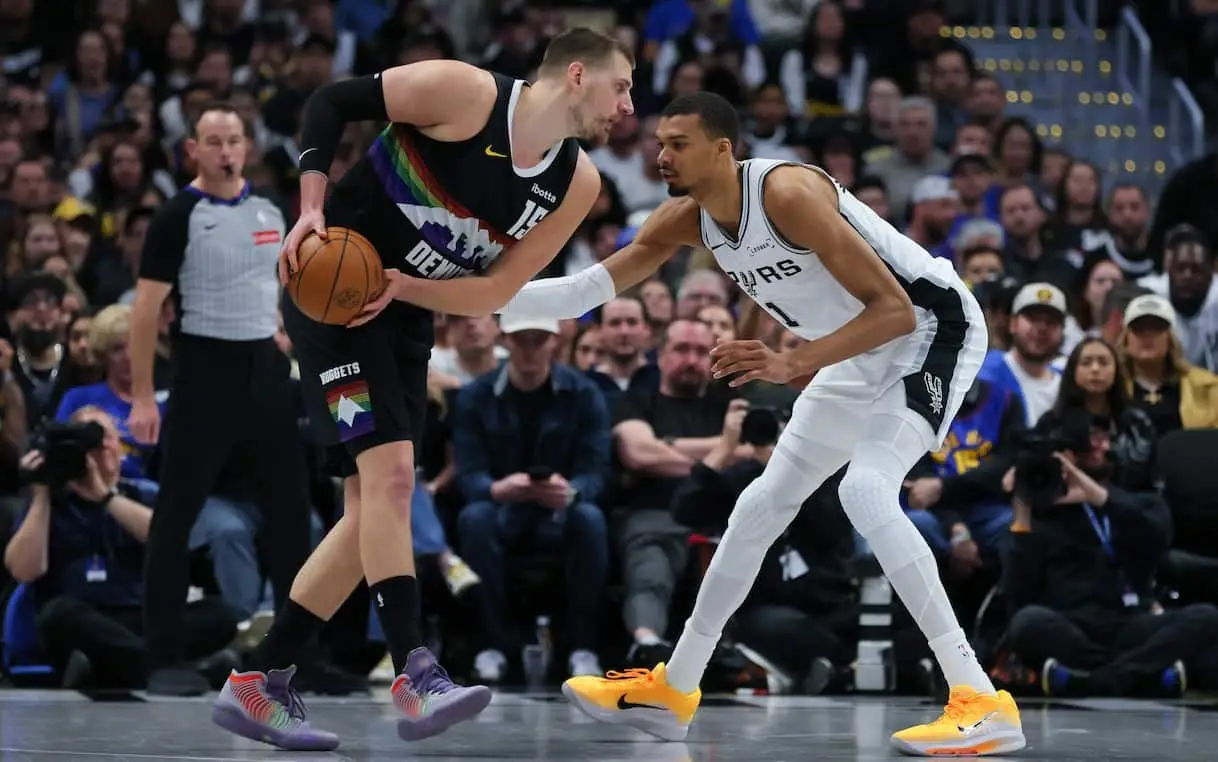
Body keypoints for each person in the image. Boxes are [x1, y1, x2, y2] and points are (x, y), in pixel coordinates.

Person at [456, 91, 1025, 756]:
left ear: (723, 149)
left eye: (679, 144)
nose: (662, 157)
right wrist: (464, 294)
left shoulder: (787, 193)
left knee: (865, 491)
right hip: (856, 346)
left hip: (931, 329)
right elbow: (584, 292)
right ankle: (674, 689)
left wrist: (792, 362)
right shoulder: (686, 220)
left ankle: (981, 699)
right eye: (660, 144)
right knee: (760, 505)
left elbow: (894, 310)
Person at [211, 28, 635, 750]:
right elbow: (331, 101)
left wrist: (405, 286)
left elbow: (496, 289)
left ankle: (259, 681)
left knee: (367, 516)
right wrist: (311, 209)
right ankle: (415, 671)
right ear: (576, 75)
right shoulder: (465, 94)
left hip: (403, 310)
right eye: (621, 86)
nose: (628, 106)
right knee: (394, 481)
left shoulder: (578, 183)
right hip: (332, 296)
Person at [127, 104, 316, 696]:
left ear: (247, 146)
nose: (226, 151)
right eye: (213, 141)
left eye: (234, 140)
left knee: (291, 518)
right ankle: (163, 657)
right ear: (193, 150)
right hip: (202, 370)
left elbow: (285, 288)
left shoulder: (271, 208)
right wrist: (142, 396)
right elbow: (144, 311)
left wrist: (289, 337)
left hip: (265, 368)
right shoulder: (176, 216)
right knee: (176, 515)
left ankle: (296, 657)